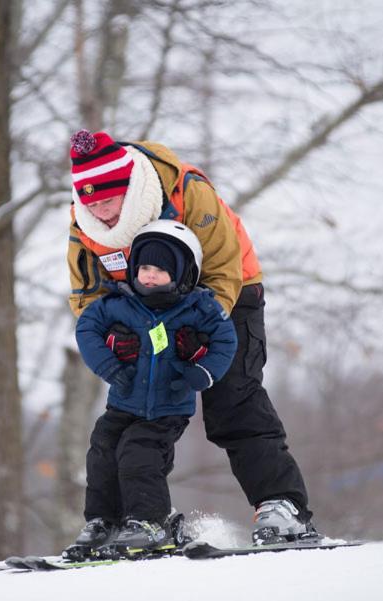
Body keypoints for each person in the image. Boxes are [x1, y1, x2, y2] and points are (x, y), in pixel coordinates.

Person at [66, 129, 317, 544]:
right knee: (132, 416)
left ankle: (282, 507)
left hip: (228, 295)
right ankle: (135, 520)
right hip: (140, 310)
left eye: (108, 203)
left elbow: (222, 267)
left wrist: (200, 334)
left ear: (127, 189)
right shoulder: (85, 219)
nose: (102, 214)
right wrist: (113, 337)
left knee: (232, 400)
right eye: (91, 204)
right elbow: (86, 296)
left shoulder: (185, 191)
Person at [67, 220, 237, 560]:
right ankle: (104, 522)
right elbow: (86, 327)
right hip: (123, 403)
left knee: (138, 453)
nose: (148, 275)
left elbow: (225, 339)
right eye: (144, 267)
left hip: (167, 410)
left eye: (159, 269)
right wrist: (109, 366)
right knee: (102, 451)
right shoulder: (119, 303)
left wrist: (201, 373)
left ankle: (150, 523)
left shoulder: (198, 307)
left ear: (182, 274)